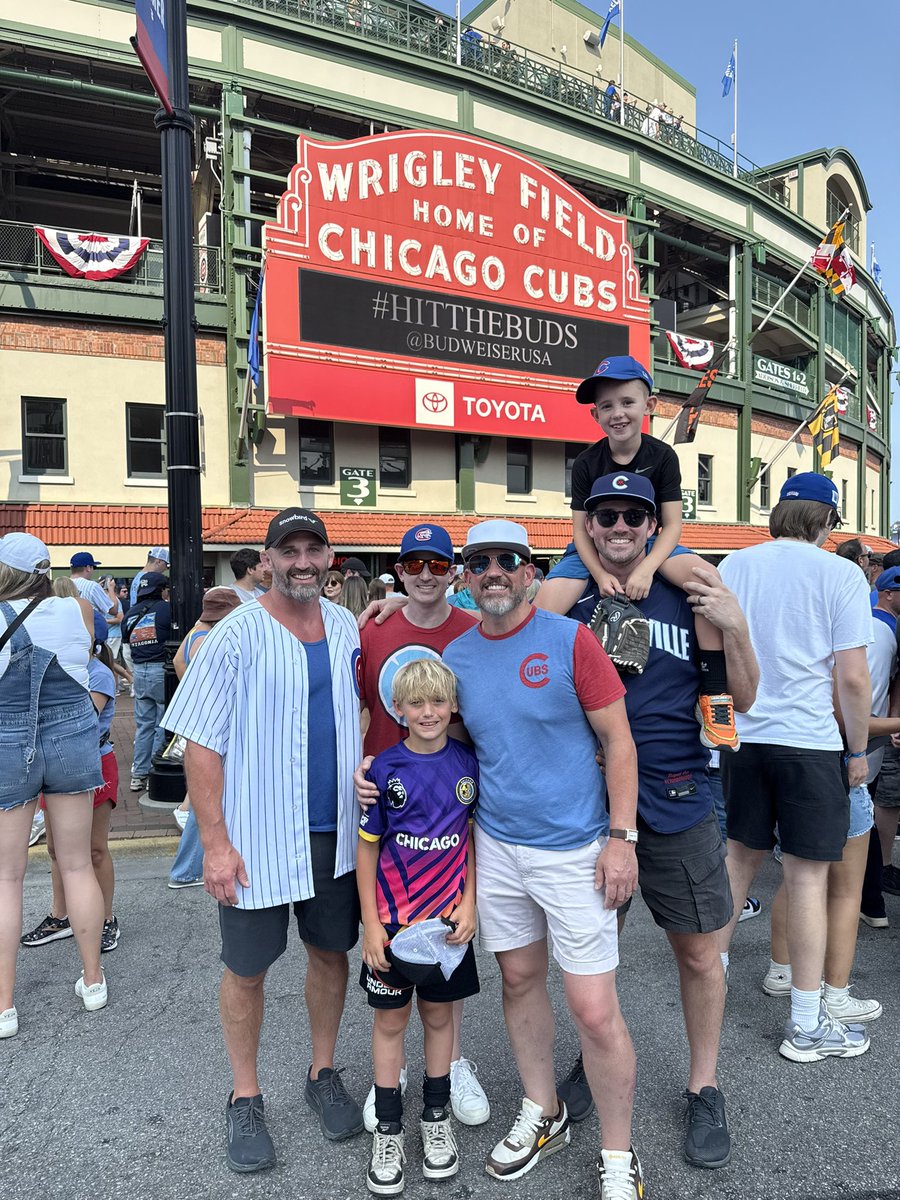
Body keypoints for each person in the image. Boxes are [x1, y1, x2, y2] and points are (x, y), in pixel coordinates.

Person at [559, 474, 758, 1169]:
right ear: (589, 523)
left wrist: (736, 628)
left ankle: (704, 1085)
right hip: (587, 806)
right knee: (593, 952)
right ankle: (596, 1051)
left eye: (633, 516)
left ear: (652, 526)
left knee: (701, 953)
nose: (618, 526)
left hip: (677, 799)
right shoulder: (567, 597)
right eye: (605, 514)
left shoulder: (690, 591)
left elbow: (739, 700)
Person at [160, 507, 366, 1172]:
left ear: (329, 557)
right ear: (269, 559)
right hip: (256, 834)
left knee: (331, 954)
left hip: (334, 832)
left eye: (314, 548)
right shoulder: (236, 634)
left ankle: (322, 1071)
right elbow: (200, 745)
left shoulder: (344, 626)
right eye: (290, 549)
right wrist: (214, 844)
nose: (302, 560)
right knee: (246, 969)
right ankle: (245, 1094)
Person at [443, 520, 643, 1199]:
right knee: (520, 980)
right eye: (479, 562)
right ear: (464, 576)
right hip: (496, 845)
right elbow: (453, 733)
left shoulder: (570, 639)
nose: (492, 571)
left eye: (507, 560)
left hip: (575, 848)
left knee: (593, 1008)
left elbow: (618, 740)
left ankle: (619, 1154)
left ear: (530, 572)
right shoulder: (459, 657)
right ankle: (544, 1110)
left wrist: (622, 837)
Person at [718, 473, 873, 1062]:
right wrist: (856, 751)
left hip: (746, 735)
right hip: (809, 740)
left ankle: (713, 981)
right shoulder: (840, 574)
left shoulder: (736, 564)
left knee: (737, 860)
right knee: (807, 878)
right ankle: (806, 1024)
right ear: (827, 520)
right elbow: (852, 678)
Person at [536, 355, 738, 753]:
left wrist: (646, 567)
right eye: (607, 406)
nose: (618, 413)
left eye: (627, 402)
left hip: (652, 544)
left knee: (706, 582)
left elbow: (672, 526)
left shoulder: (663, 456)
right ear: (595, 414)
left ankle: (714, 695)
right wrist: (597, 573)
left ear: (649, 405)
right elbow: (580, 530)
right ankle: (542, 701)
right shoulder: (587, 461)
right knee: (541, 611)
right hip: (591, 548)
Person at [357, 523, 486, 1132]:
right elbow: (359, 703)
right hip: (390, 798)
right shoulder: (374, 625)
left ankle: (453, 1063)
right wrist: (360, 768)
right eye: (415, 565)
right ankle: (397, 1073)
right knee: (395, 959)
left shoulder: (472, 627)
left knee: (446, 954)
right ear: (400, 569)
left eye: (439, 565)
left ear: (454, 572)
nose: (427, 575)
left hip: (453, 798)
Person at [358, 658, 480, 1195]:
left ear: (452, 706)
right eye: (416, 703)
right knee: (389, 1025)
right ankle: (389, 1129)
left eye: (438, 702)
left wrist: (471, 903)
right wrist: (369, 924)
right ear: (398, 709)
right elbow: (367, 852)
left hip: (447, 928)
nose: (428, 712)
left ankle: (435, 1120)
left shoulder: (468, 765)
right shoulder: (383, 771)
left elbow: (471, 839)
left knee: (439, 1021)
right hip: (392, 923)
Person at [0, 533, 107, 1038]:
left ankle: (4, 1006)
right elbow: (87, 659)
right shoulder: (77, 607)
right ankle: (92, 980)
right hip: (74, 734)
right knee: (77, 862)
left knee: (7, 877)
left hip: (8, 736)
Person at [21, 612, 122, 954]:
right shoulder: (59, 670)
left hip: (94, 765)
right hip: (57, 769)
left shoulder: (98, 674)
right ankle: (60, 916)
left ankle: (106, 919)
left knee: (93, 851)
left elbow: (81, 723)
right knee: (54, 850)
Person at [167, 587, 243, 889]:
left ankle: (185, 868)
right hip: (213, 728)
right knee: (208, 800)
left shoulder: (195, 634)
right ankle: (186, 869)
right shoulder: (212, 641)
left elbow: (176, 661)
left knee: (206, 798)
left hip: (201, 724)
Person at [123, 571, 171, 793]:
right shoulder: (166, 609)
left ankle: (137, 774)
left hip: (139, 671)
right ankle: (155, 771)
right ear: (161, 589)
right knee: (162, 723)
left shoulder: (130, 613)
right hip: (160, 669)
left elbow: (126, 646)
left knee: (144, 726)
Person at [69, 551, 116, 620]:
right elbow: (113, 610)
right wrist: (111, 589)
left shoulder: (62, 585)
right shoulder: (92, 586)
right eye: (93, 567)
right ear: (88, 568)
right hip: (91, 628)